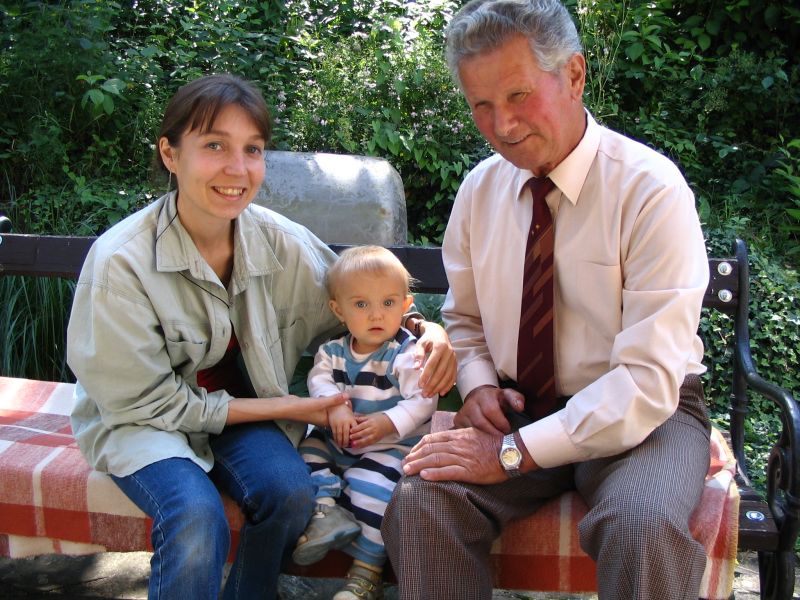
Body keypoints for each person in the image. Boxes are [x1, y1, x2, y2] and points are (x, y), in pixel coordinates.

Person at [66, 73, 456, 600]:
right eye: (214, 146)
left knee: (291, 494)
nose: (238, 168)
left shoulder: (282, 243)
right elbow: (149, 403)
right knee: (194, 514)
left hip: (242, 418)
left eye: (252, 149)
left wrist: (427, 330)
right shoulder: (121, 263)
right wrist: (295, 407)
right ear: (170, 154)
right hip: (142, 422)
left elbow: (361, 306)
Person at [381, 2, 712, 599]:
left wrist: (512, 453)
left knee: (642, 525)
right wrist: (479, 386)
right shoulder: (480, 190)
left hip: (647, 416)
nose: (502, 124)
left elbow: (646, 381)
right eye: (481, 105)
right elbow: (464, 317)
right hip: (520, 404)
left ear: (575, 75)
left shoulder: (650, 190)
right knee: (423, 500)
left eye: (518, 95)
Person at [292, 245, 438, 600]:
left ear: (405, 305)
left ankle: (365, 574)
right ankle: (327, 511)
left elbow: (423, 399)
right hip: (338, 440)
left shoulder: (405, 353)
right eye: (361, 304)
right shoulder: (332, 351)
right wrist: (337, 407)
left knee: (374, 491)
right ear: (338, 310)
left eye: (388, 303)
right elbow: (319, 381)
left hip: (389, 446)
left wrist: (388, 422)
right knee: (306, 451)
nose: (376, 314)